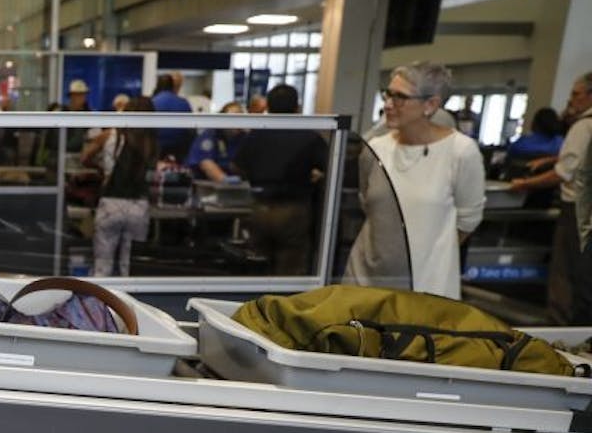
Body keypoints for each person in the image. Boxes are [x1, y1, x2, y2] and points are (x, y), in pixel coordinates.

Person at [346, 63, 485, 299]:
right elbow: (368, 205)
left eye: (400, 97)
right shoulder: (376, 149)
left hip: (424, 288)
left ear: (430, 104)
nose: (388, 104)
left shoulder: (461, 152)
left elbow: (467, 221)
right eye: (388, 94)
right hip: (363, 281)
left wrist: (428, 255)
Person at [510, 72, 592, 322]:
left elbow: (565, 172)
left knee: (567, 272)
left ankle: (562, 326)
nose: (572, 99)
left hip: (576, 208)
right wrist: (549, 159)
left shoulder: (582, 126)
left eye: (577, 94)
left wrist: (525, 183)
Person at [233, 84, 328, 276]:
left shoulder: (256, 135)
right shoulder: (308, 136)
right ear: (297, 107)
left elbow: (237, 166)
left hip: (259, 207)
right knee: (290, 269)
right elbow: (329, 166)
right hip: (293, 210)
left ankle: (255, 303)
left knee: (257, 265)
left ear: (268, 107)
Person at [81, 95, 156, 276]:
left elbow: (85, 157)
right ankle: (127, 303)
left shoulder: (111, 134)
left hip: (111, 202)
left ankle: (99, 303)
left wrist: (101, 169)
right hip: (139, 205)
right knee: (130, 268)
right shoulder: (151, 140)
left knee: (103, 265)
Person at [189, 101, 246, 182]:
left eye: (241, 117)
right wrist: (224, 180)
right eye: (234, 118)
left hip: (238, 184)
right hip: (208, 183)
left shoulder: (242, 137)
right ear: (223, 119)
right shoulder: (210, 135)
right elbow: (206, 163)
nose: (238, 122)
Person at [151, 72, 192, 161]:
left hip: (157, 147)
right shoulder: (183, 102)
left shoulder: (152, 101)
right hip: (179, 148)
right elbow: (190, 127)